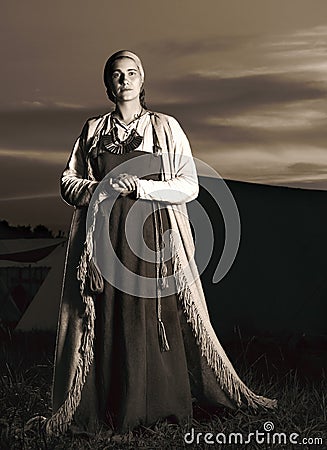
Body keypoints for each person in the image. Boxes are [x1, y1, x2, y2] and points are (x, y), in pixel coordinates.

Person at [45, 50, 277, 436]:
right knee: (106, 318)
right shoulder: (92, 130)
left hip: (150, 239)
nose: (124, 80)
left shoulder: (165, 127)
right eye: (116, 75)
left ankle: (155, 410)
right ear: (107, 85)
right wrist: (100, 188)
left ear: (143, 80)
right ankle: (109, 408)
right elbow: (68, 183)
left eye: (131, 73)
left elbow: (189, 184)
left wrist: (142, 186)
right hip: (104, 242)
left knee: (149, 319)